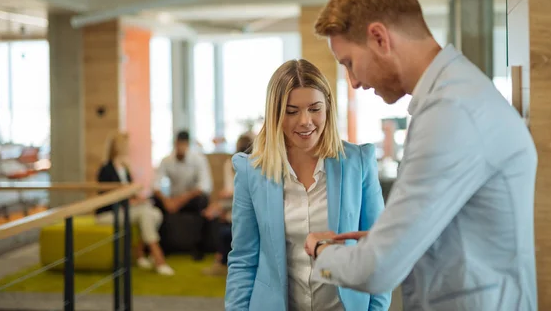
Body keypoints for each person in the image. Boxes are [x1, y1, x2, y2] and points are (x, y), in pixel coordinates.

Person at [303, 0, 538, 310]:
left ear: (380, 38)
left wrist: (322, 251)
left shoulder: (450, 112)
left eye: (350, 63)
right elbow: (467, 231)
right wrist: (389, 239)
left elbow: (377, 270)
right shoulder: (456, 95)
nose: (353, 81)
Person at [225, 59, 391, 311]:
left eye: (314, 109)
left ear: (328, 107)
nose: (305, 121)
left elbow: (378, 249)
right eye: (291, 111)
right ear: (275, 114)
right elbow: (243, 260)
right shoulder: (251, 172)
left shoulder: (358, 163)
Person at [95, 132, 174, 276]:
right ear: (117, 147)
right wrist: (131, 201)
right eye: (125, 145)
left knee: (155, 213)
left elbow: (131, 191)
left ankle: (140, 254)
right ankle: (158, 258)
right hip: (109, 213)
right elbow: (107, 196)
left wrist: (138, 199)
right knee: (145, 213)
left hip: (125, 210)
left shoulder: (124, 168)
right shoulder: (106, 169)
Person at [153, 130, 213, 260]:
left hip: (190, 200)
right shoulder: (166, 161)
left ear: (187, 144)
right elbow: (156, 185)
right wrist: (166, 201)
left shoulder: (198, 159)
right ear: (175, 144)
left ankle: (199, 247)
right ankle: (164, 246)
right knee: (154, 201)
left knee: (202, 201)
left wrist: (180, 201)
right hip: (172, 201)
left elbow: (204, 186)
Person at [202, 131, 255, 276]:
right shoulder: (230, 163)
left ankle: (220, 261)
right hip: (233, 204)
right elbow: (229, 189)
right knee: (217, 217)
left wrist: (223, 202)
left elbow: (248, 193)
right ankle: (221, 261)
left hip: (247, 206)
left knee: (222, 218)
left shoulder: (256, 164)